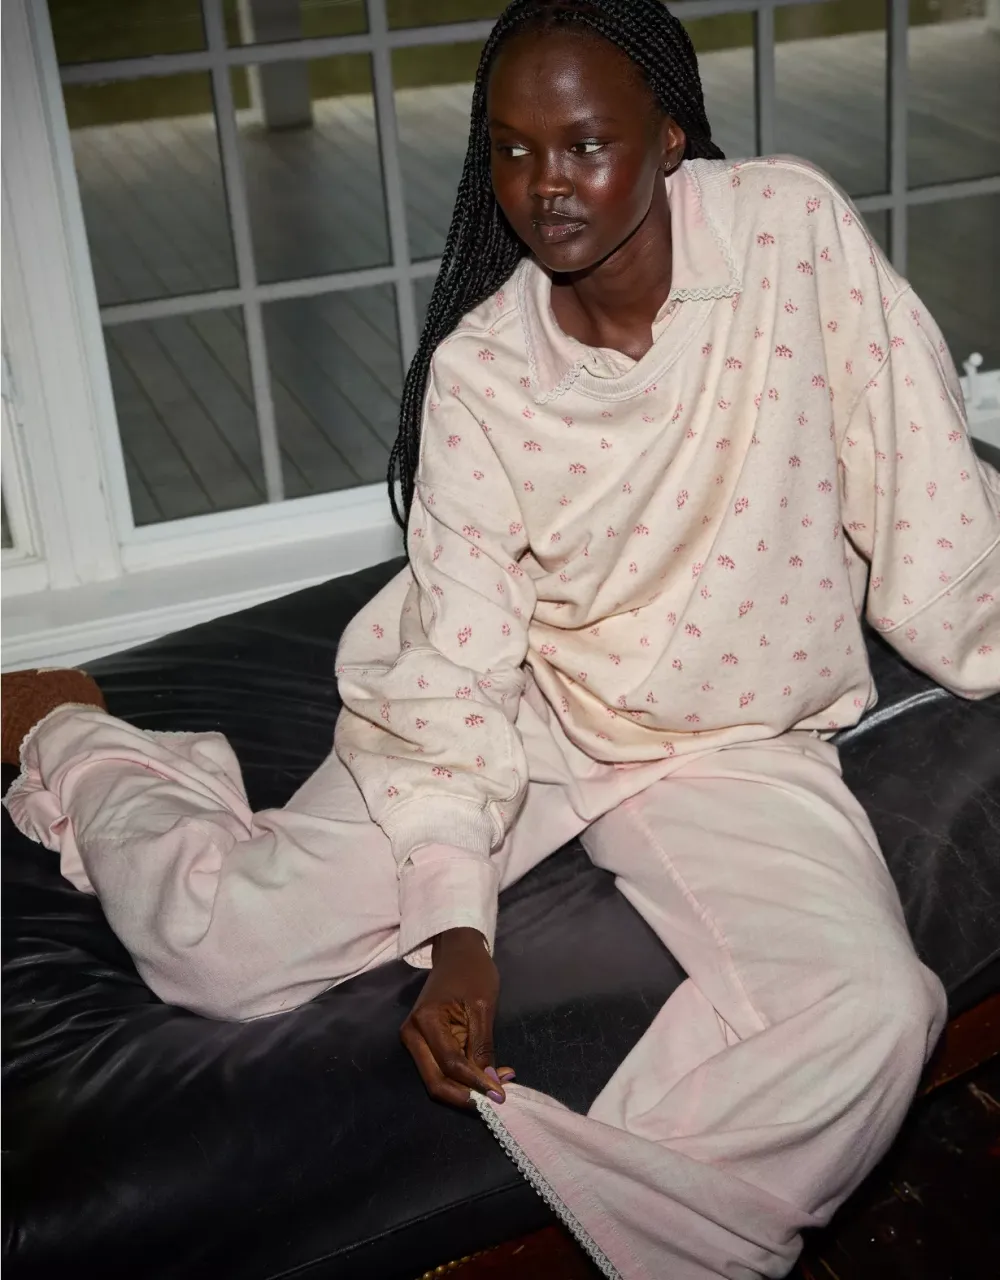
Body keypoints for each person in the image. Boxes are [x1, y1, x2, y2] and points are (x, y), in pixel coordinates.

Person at [4, 1, 998, 1275]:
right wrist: (456, 926)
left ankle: (634, 1222)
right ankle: (82, 740)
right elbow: (461, 664)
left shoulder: (789, 231)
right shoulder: (483, 376)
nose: (545, 185)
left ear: (670, 136)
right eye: (513, 150)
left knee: (875, 1008)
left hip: (734, 741)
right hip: (522, 705)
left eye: (584, 144)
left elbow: (917, 473)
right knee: (216, 952)